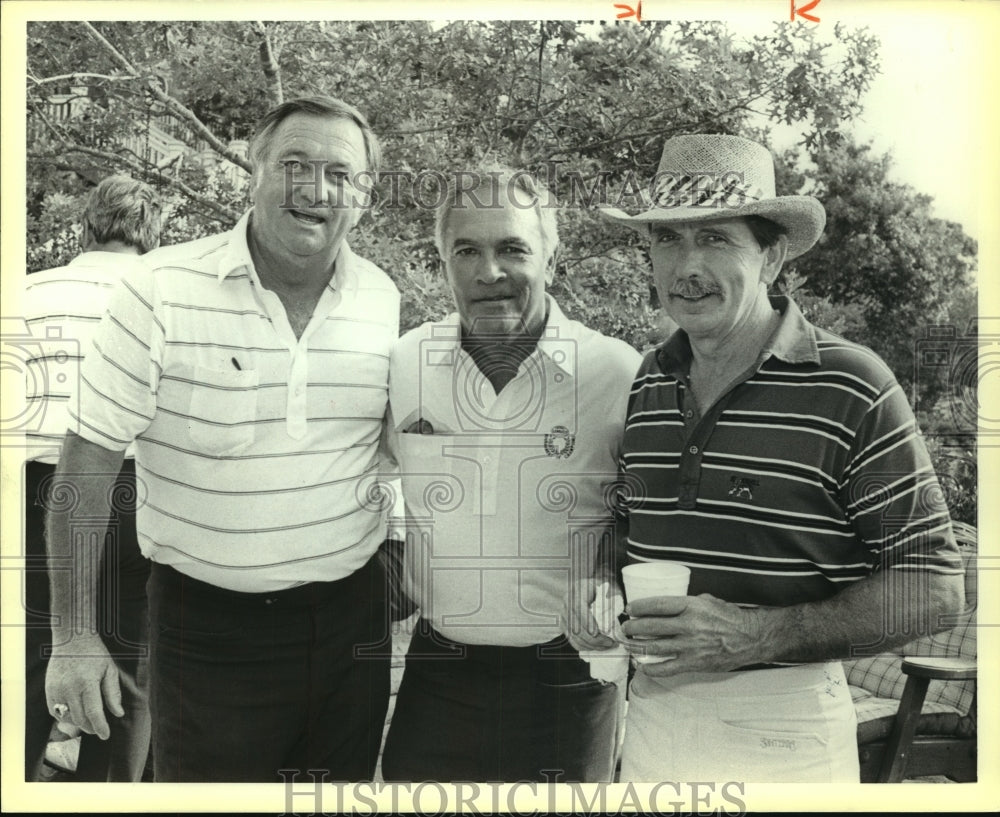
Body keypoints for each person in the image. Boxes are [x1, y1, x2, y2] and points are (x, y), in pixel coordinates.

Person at [43, 96, 400, 782]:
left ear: (365, 194)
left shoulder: (381, 299)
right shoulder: (159, 288)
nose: (315, 190)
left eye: (339, 174)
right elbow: (86, 463)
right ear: (253, 170)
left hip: (352, 626)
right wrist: (74, 635)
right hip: (207, 631)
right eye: (294, 164)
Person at [595, 134, 965, 783]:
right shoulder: (650, 380)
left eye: (714, 238)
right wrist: (596, 585)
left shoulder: (851, 383)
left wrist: (755, 633)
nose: (686, 266)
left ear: (770, 255)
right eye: (667, 239)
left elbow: (932, 587)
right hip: (650, 719)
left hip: (784, 734)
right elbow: (634, 532)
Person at [379, 167, 641, 782]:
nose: (487, 272)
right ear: (441, 259)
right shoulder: (404, 362)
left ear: (553, 255)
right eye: (465, 250)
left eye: (512, 249)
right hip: (438, 667)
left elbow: (656, 513)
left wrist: (610, 566)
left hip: (571, 678)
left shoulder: (617, 373)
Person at [24, 175, 162, 782]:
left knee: (30, 658)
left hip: (35, 489)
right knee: (134, 669)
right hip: (137, 490)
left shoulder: (24, 291)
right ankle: (113, 789)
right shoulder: (162, 298)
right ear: (152, 235)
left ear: (85, 226)